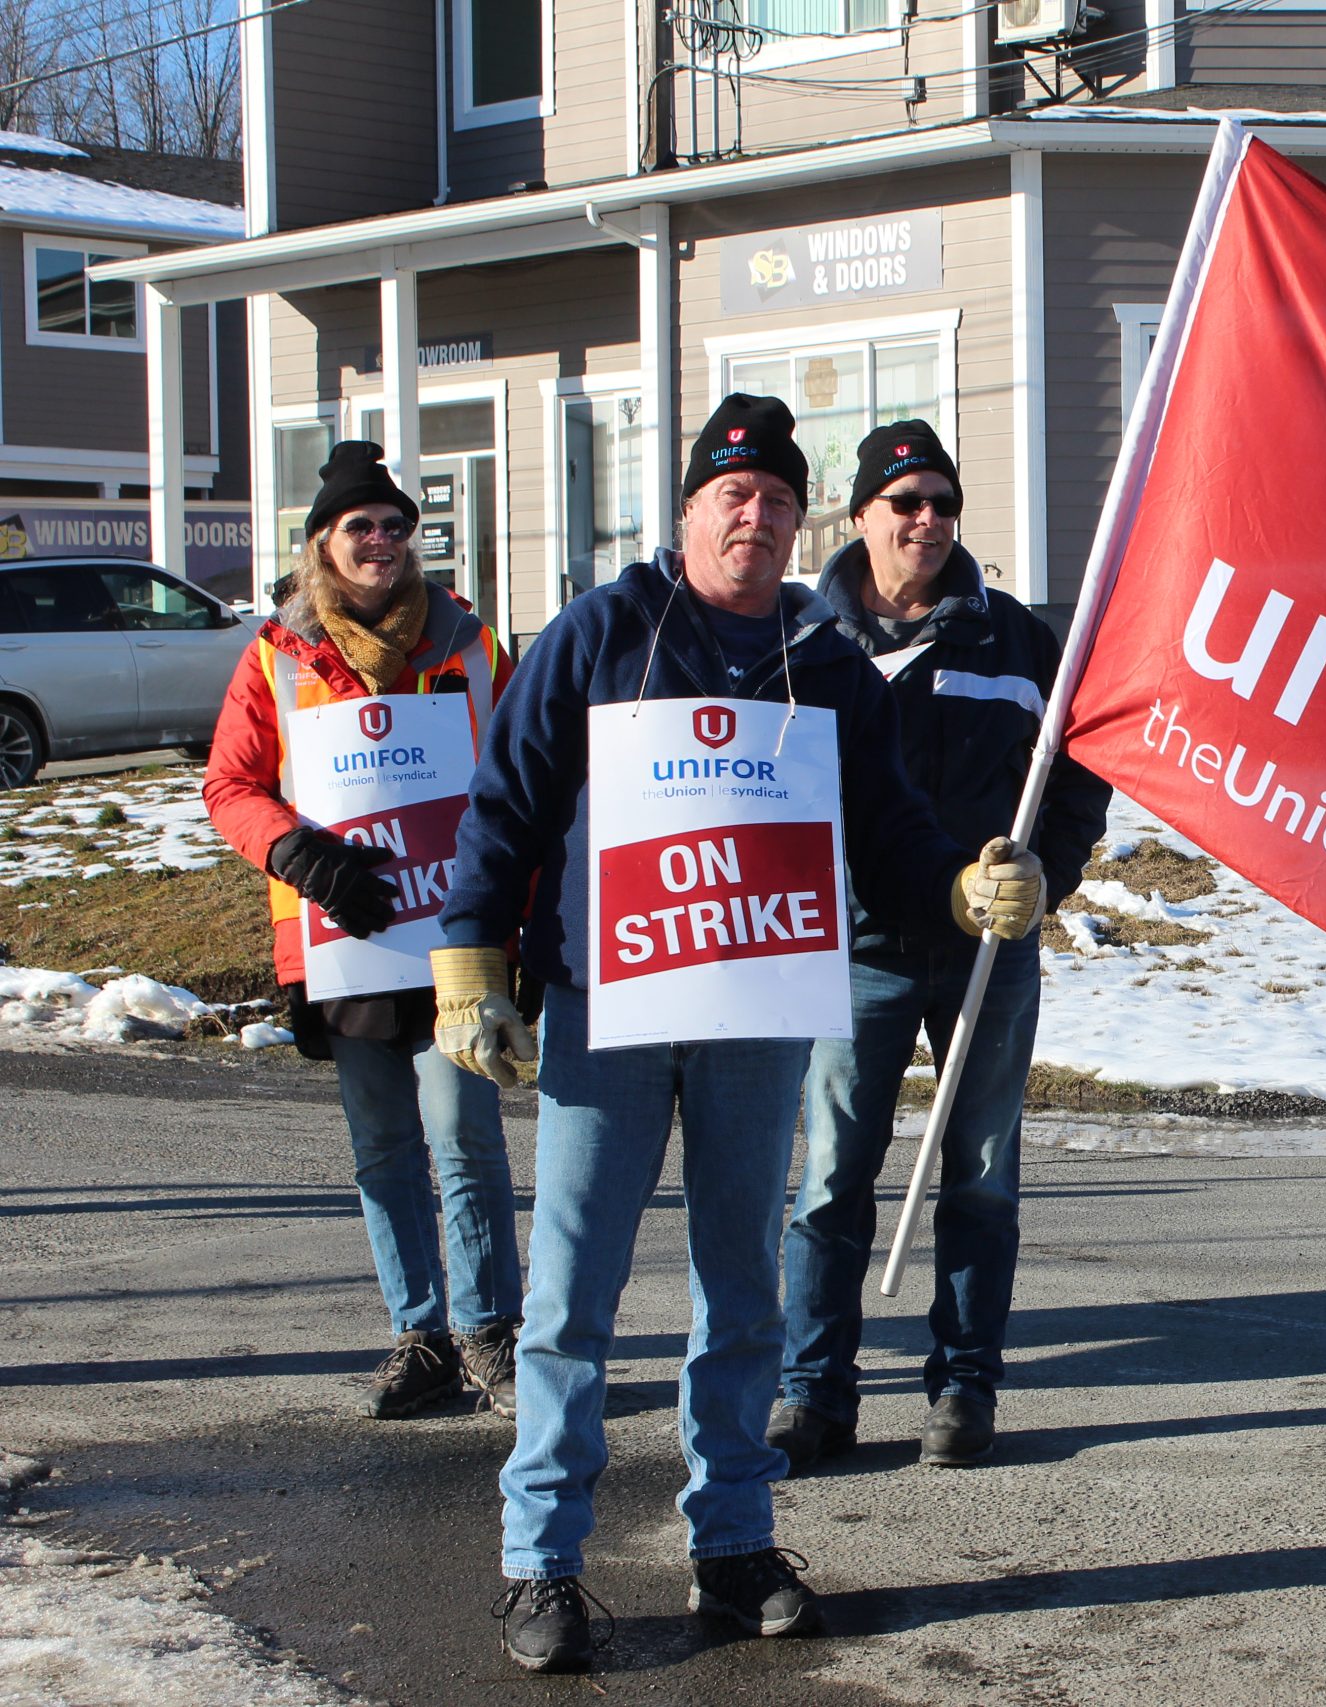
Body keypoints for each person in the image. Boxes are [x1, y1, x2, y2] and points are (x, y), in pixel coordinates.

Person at [433, 394, 1047, 1675]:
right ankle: (541, 1561)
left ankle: (733, 1538)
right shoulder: (605, 631)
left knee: (740, 1290)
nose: (754, 517)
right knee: (571, 1297)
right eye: (732, 494)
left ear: (798, 518)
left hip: (759, 1011)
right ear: (689, 508)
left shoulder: (820, 664)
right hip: (612, 1004)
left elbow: (887, 826)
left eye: (775, 497)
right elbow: (508, 801)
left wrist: (956, 883)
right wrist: (469, 960)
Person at [767, 421, 1111, 1476]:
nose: (926, 520)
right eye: (904, 501)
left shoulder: (1012, 641)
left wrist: (1048, 873)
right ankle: (812, 1391)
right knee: (830, 1182)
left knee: (981, 1176)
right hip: (853, 949)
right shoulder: (798, 644)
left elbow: (1078, 772)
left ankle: (965, 1381)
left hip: (986, 957)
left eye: (942, 504)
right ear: (860, 515)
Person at [202, 441, 522, 1421]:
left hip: (452, 938)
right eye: (360, 527)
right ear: (322, 546)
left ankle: (488, 1333)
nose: (381, 541)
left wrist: (522, 925)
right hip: (344, 942)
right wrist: (299, 856)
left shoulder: (472, 647)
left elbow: (523, 784)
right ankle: (418, 1334)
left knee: (461, 1132)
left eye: (395, 526)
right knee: (381, 1147)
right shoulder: (274, 655)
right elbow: (230, 787)